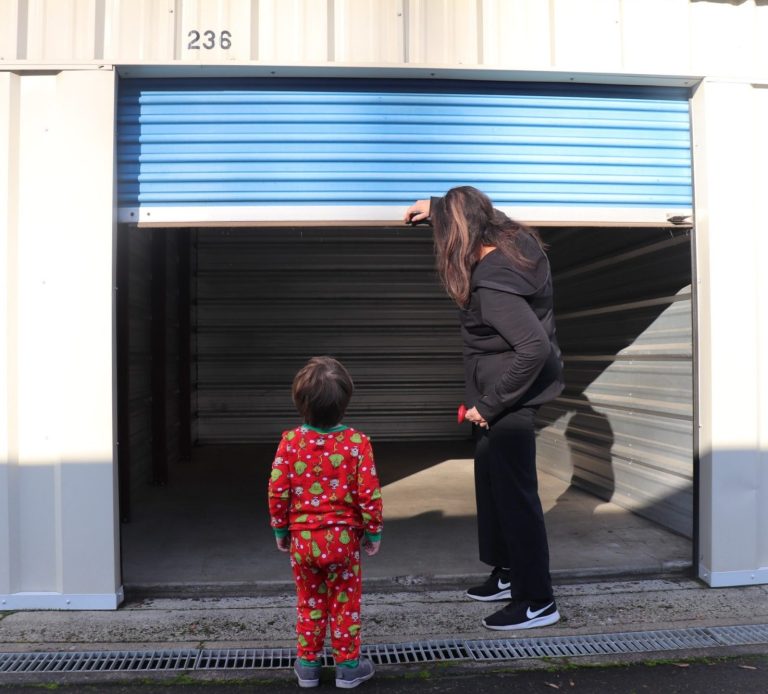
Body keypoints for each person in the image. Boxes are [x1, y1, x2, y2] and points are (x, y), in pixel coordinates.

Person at [404, 187, 564, 631]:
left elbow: (533, 349)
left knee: (516, 499)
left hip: (509, 400)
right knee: (493, 488)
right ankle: (509, 574)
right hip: (498, 396)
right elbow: (487, 214)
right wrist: (437, 207)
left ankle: (537, 601)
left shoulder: (494, 284)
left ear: (460, 233)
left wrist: (490, 405)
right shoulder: (517, 241)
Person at [268, 356, 383, 689]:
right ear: (345, 402)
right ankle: (348, 668)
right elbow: (369, 493)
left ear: (299, 402)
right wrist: (373, 531)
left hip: (303, 541)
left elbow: (278, 489)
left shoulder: (290, 442)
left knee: (309, 602)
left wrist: (280, 528)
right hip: (343, 542)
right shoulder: (357, 443)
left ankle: (308, 667)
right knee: (345, 603)